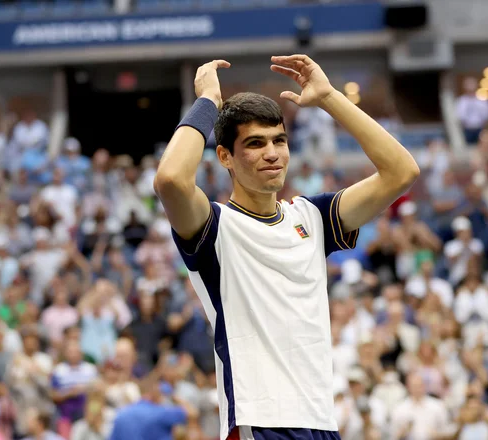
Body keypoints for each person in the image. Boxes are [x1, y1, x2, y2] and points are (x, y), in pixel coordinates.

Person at [153, 55, 419, 440]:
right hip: (259, 420)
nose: (273, 153)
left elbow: (401, 172)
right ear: (225, 155)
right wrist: (209, 101)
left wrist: (329, 98)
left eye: (279, 140)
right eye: (255, 144)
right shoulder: (213, 226)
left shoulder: (312, 215)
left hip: (320, 420)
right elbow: (171, 180)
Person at [108, 379, 197, 440]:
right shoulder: (160, 413)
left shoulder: (121, 414)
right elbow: (192, 412)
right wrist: (173, 396)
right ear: (155, 394)